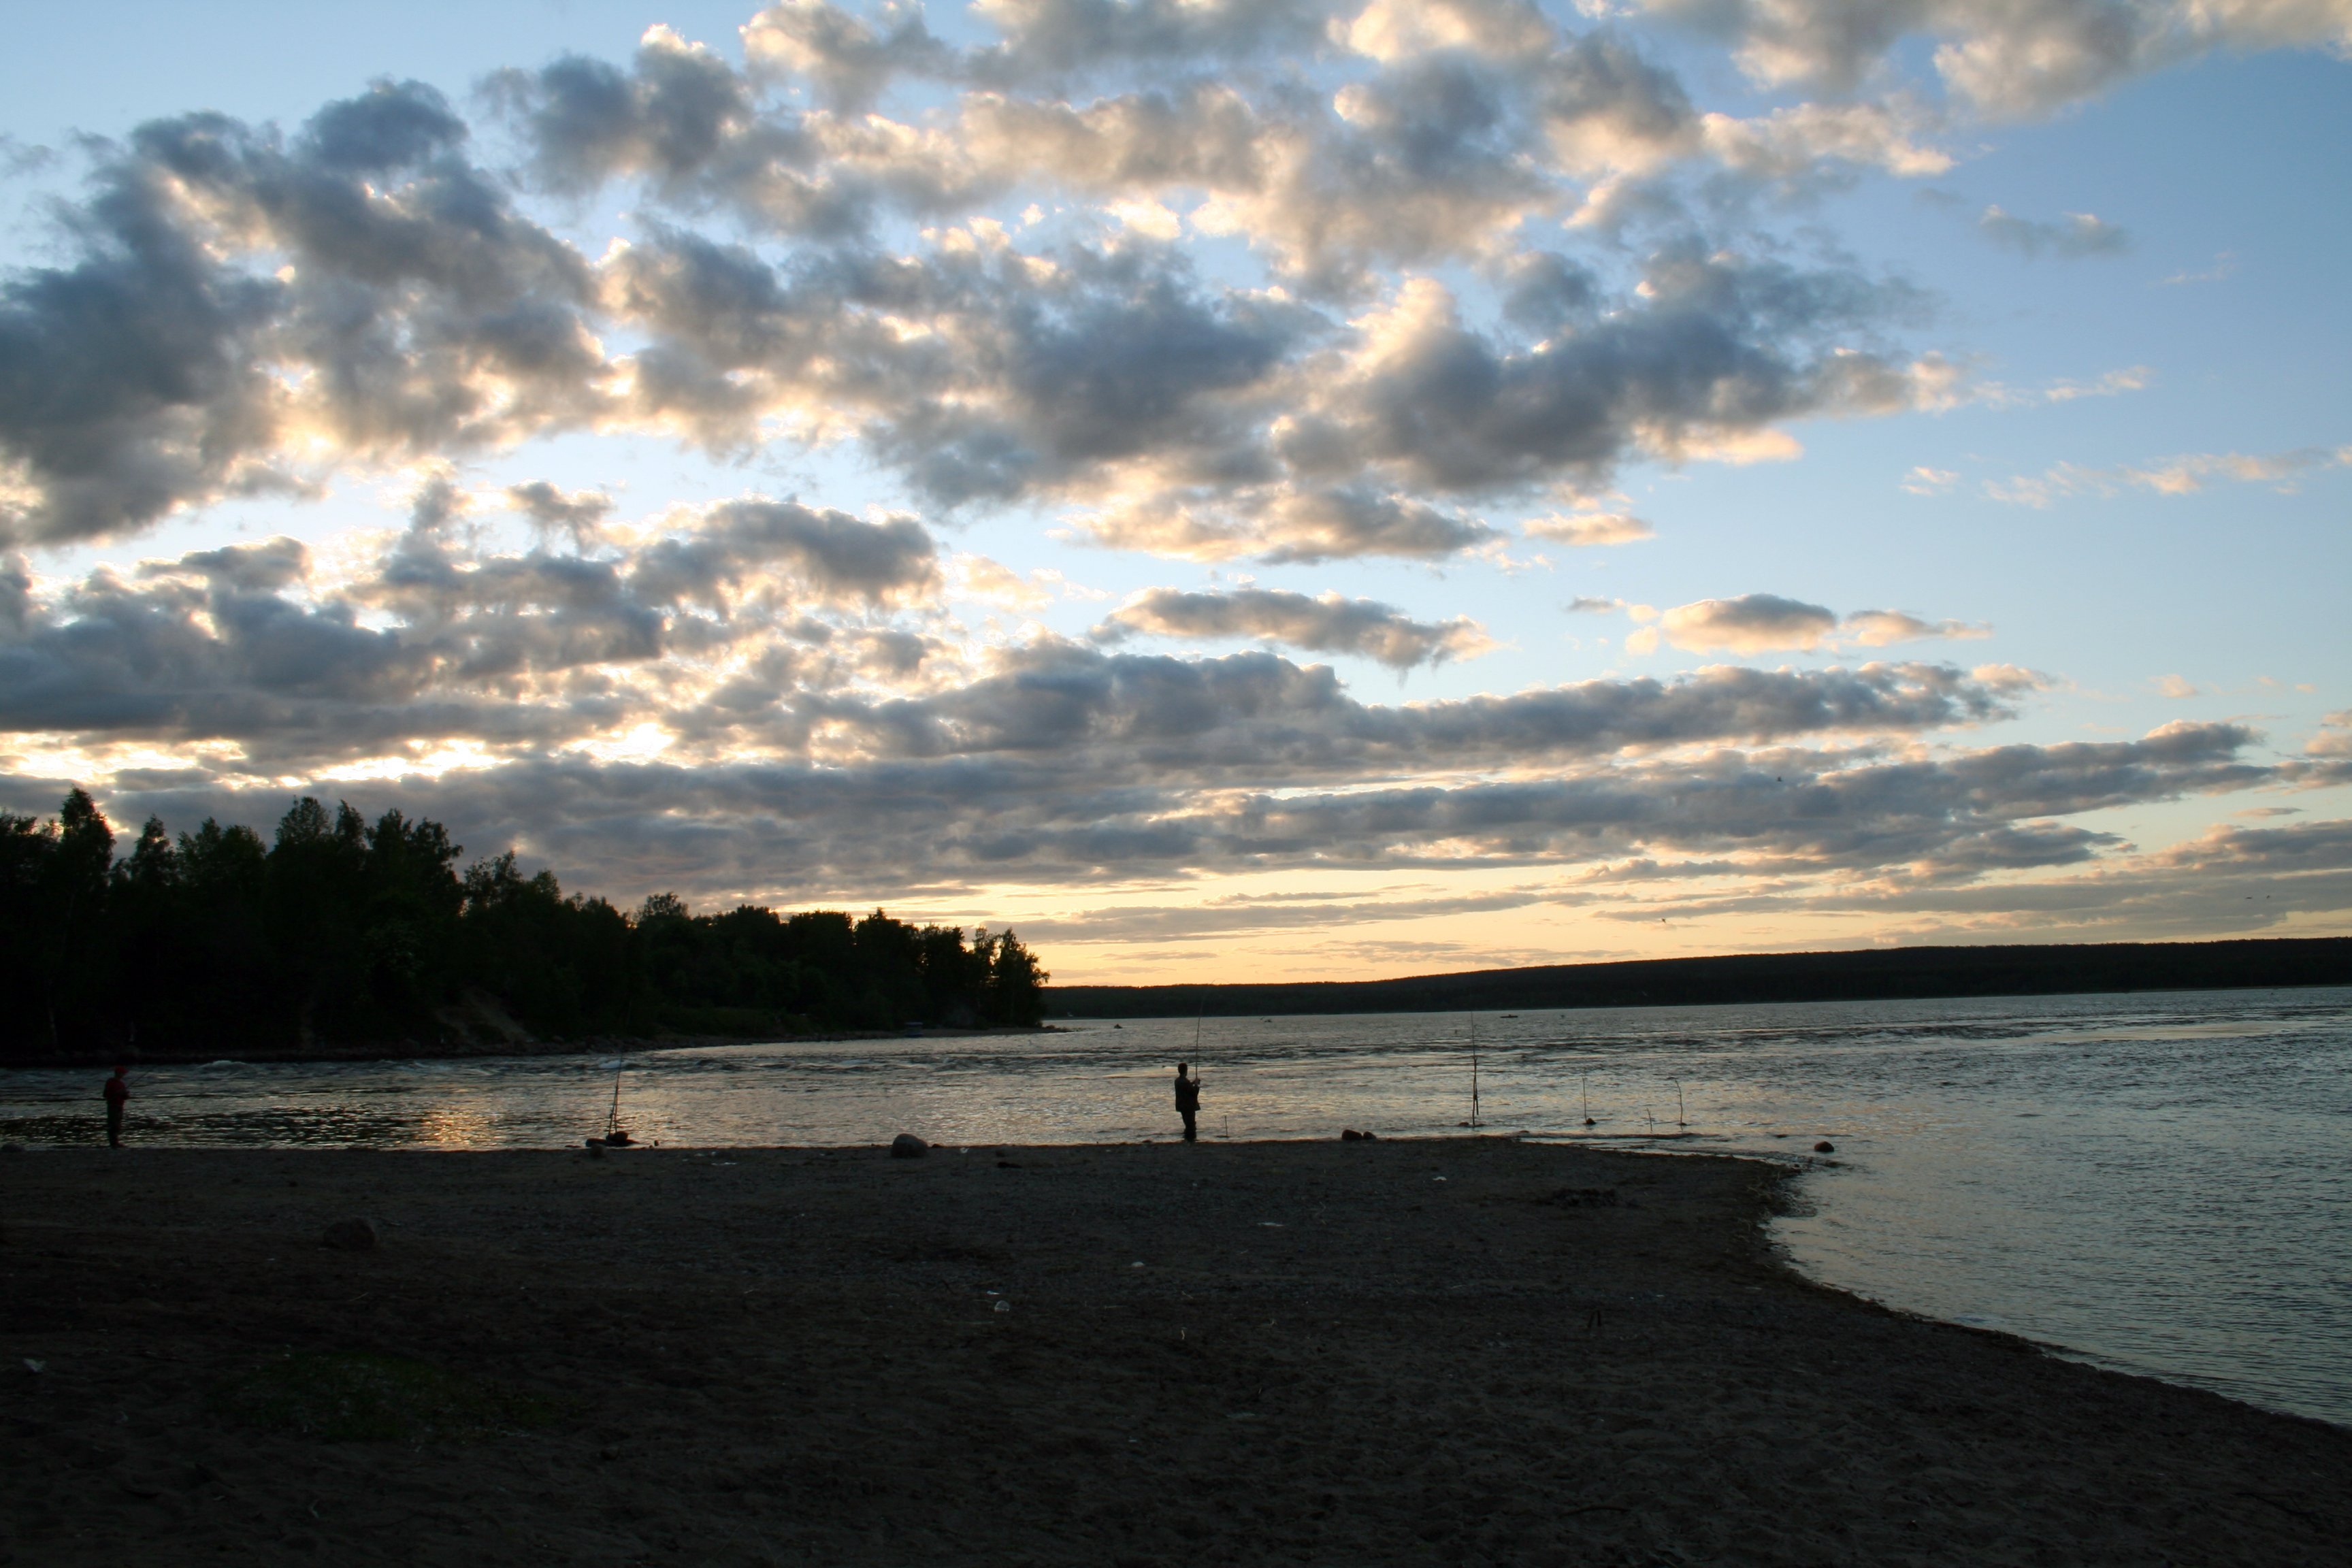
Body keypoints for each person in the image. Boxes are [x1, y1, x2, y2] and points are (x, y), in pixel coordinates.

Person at [101, 1066, 129, 1147]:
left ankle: (116, 1142)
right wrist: (117, 1093)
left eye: (124, 1073)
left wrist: (125, 1094)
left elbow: (125, 1097)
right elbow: (105, 1094)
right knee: (113, 1124)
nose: (124, 1075)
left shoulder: (122, 1084)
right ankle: (113, 1143)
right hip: (112, 1105)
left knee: (118, 1124)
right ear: (118, 1073)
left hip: (120, 1106)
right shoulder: (110, 1082)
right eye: (122, 1073)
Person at [1174, 1062, 1200, 1143]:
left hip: (1181, 1106)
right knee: (1191, 1124)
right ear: (1186, 1070)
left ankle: (1187, 1138)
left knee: (1187, 1123)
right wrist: (1196, 1085)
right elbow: (1194, 1093)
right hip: (1189, 1106)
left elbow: (1186, 1088)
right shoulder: (1185, 1082)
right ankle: (1191, 1139)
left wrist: (1192, 1083)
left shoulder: (1177, 1081)